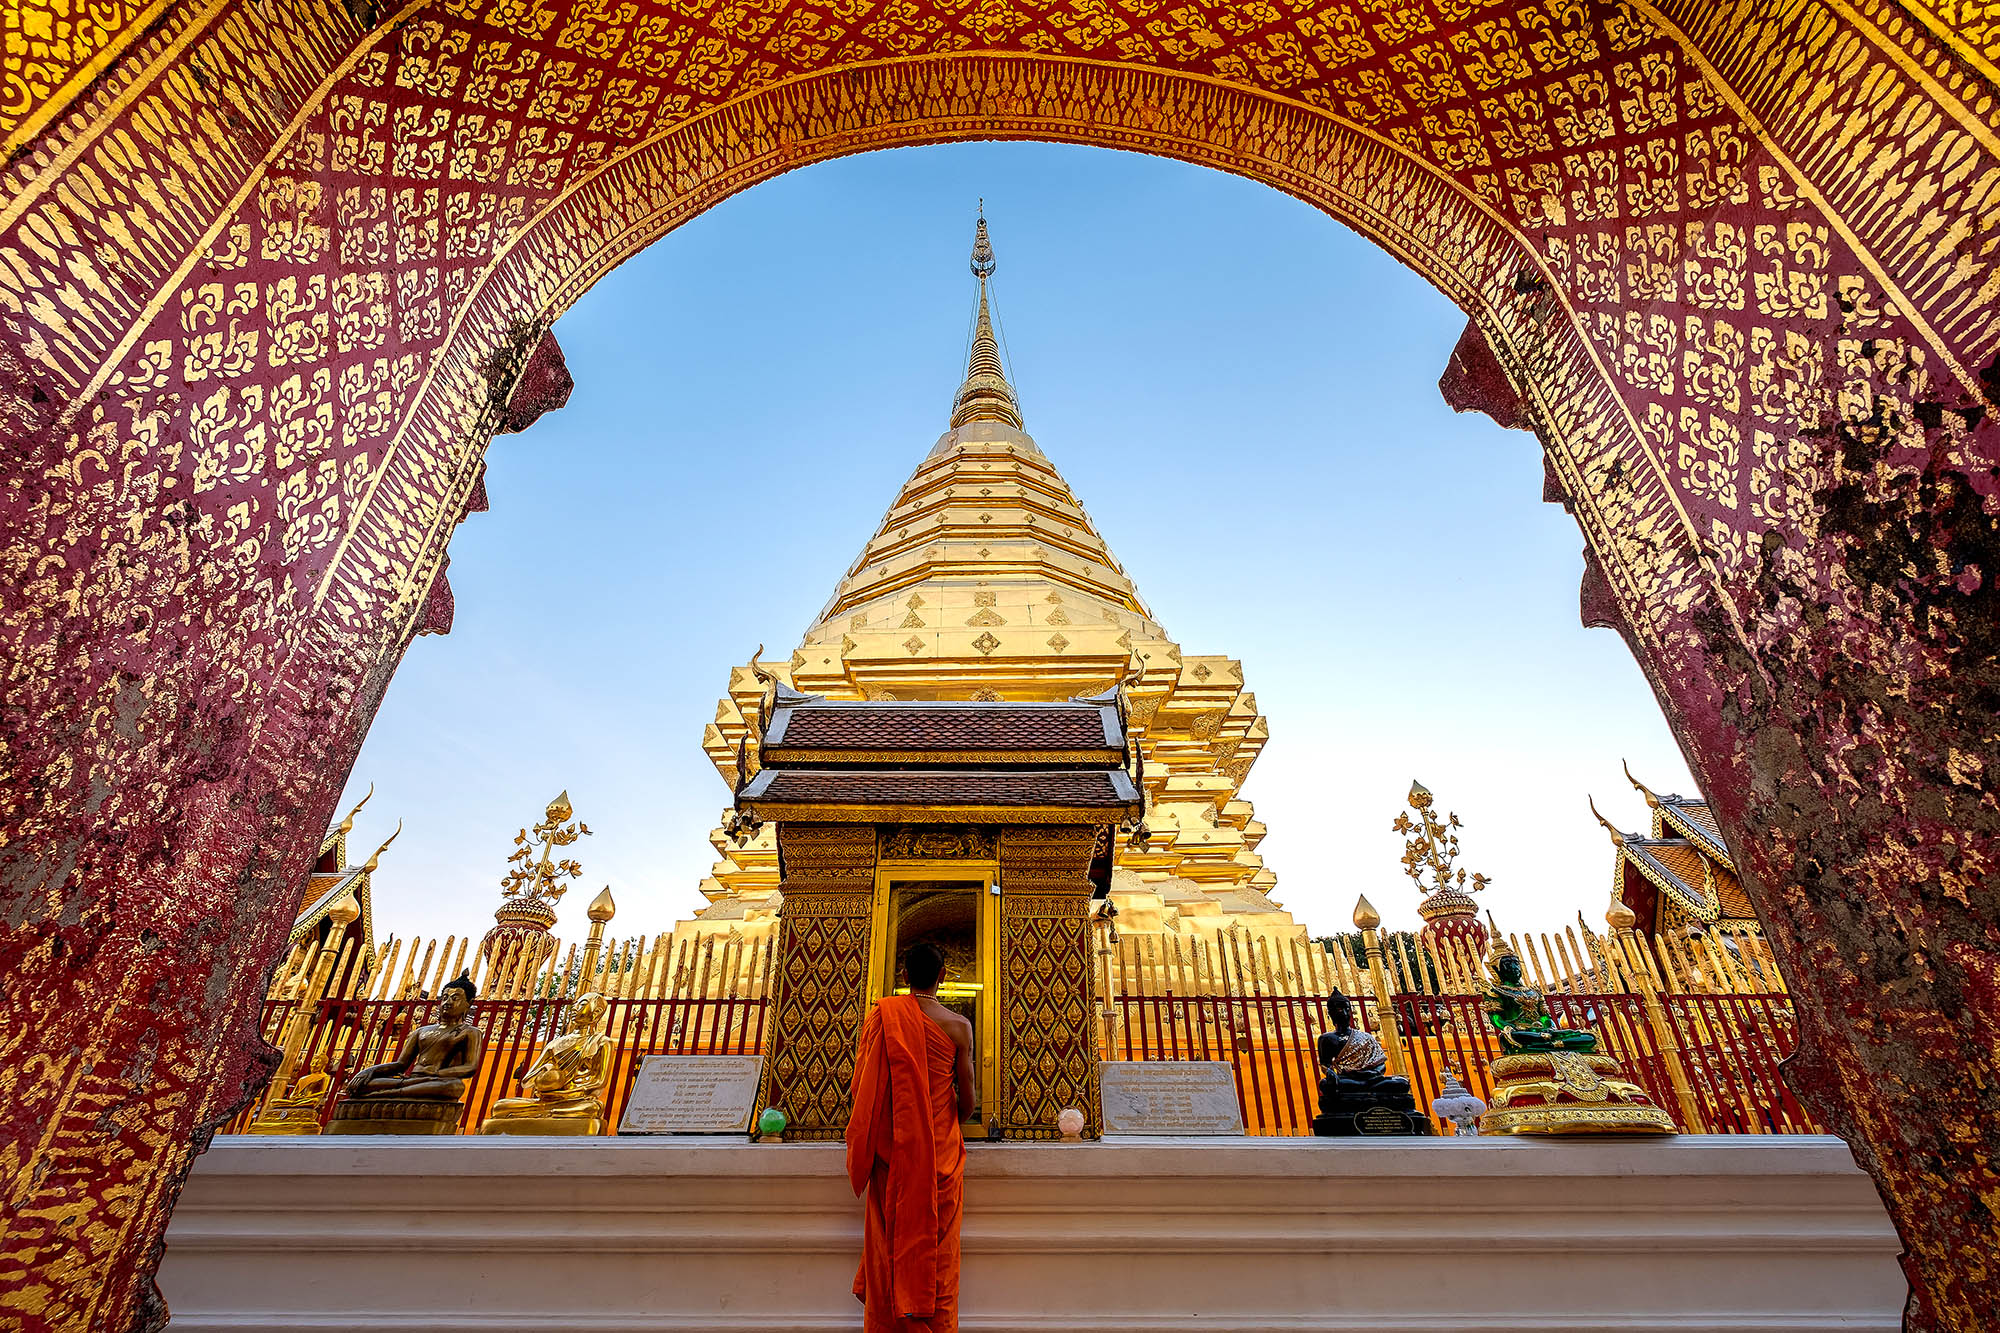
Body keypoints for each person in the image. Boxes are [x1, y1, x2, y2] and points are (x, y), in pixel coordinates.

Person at [845, 942, 975, 1333]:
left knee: (891, 1244)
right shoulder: (959, 1026)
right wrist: (940, 1116)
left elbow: (862, 1090)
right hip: (941, 1154)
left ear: (904, 977)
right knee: (938, 1249)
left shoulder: (883, 1018)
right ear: (944, 976)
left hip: (894, 1152)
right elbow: (967, 1102)